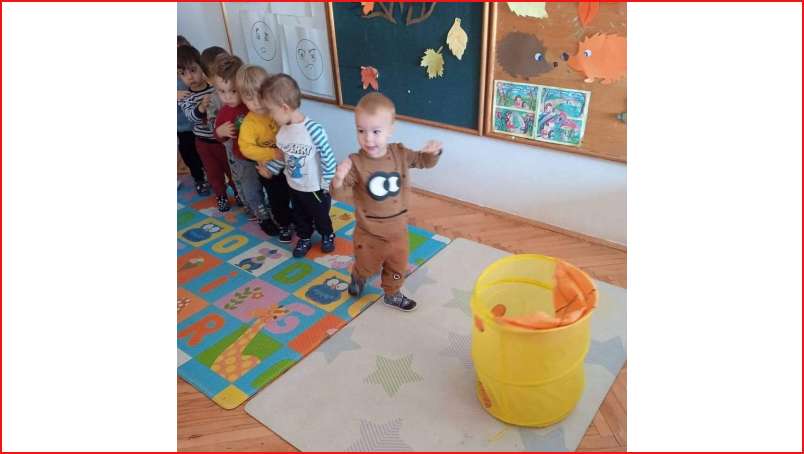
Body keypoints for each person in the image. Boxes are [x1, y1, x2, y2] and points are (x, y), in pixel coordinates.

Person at [330, 93, 442, 312]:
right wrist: (338, 179)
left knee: (398, 266)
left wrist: (433, 153)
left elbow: (422, 161)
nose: (368, 139)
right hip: (369, 232)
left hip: (398, 230)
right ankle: (358, 276)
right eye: (361, 131)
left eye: (376, 131)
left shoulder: (400, 153)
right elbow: (338, 194)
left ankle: (392, 292)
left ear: (391, 129)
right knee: (366, 264)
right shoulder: (355, 163)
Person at [259, 74, 336, 258]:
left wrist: (327, 182)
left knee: (320, 215)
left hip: (315, 187)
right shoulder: (282, 133)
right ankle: (304, 237)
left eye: (271, 111)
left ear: (284, 108)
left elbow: (328, 158)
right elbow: (283, 157)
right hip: (294, 185)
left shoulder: (314, 130)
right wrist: (271, 170)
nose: (269, 115)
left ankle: (327, 234)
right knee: (300, 215)